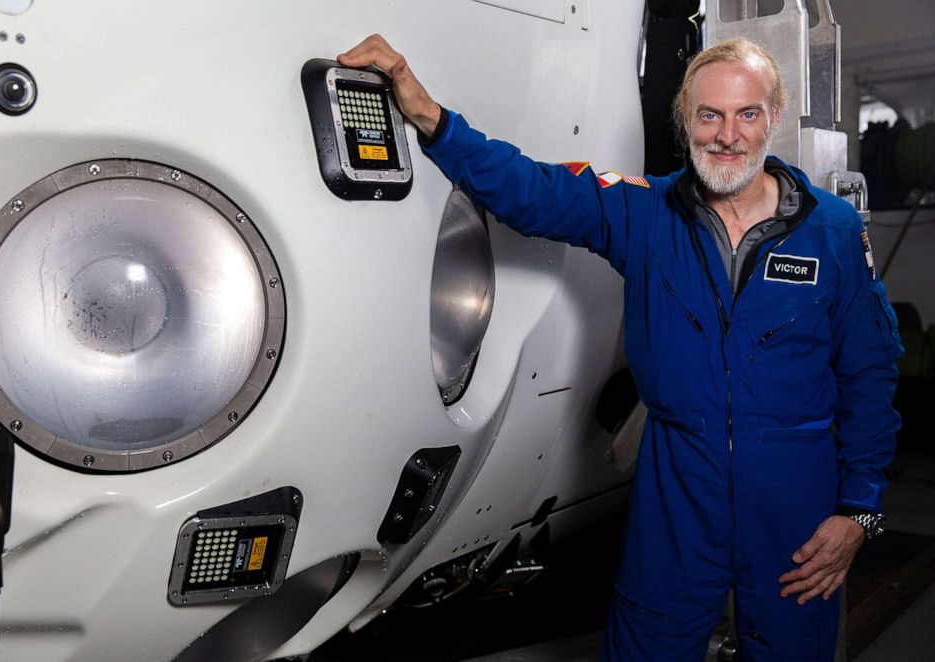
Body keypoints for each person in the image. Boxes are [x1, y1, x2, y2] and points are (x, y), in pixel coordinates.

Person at [338, 35, 902, 661]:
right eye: (708, 114)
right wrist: (429, 117)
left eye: (747, 114)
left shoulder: (834, 232)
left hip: (796, 493)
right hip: (677, 489)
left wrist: (861, 514)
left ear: (773, 116)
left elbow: (871, 377)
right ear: (684, 120)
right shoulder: (643, 210)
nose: (727, 135)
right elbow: (531, 189)